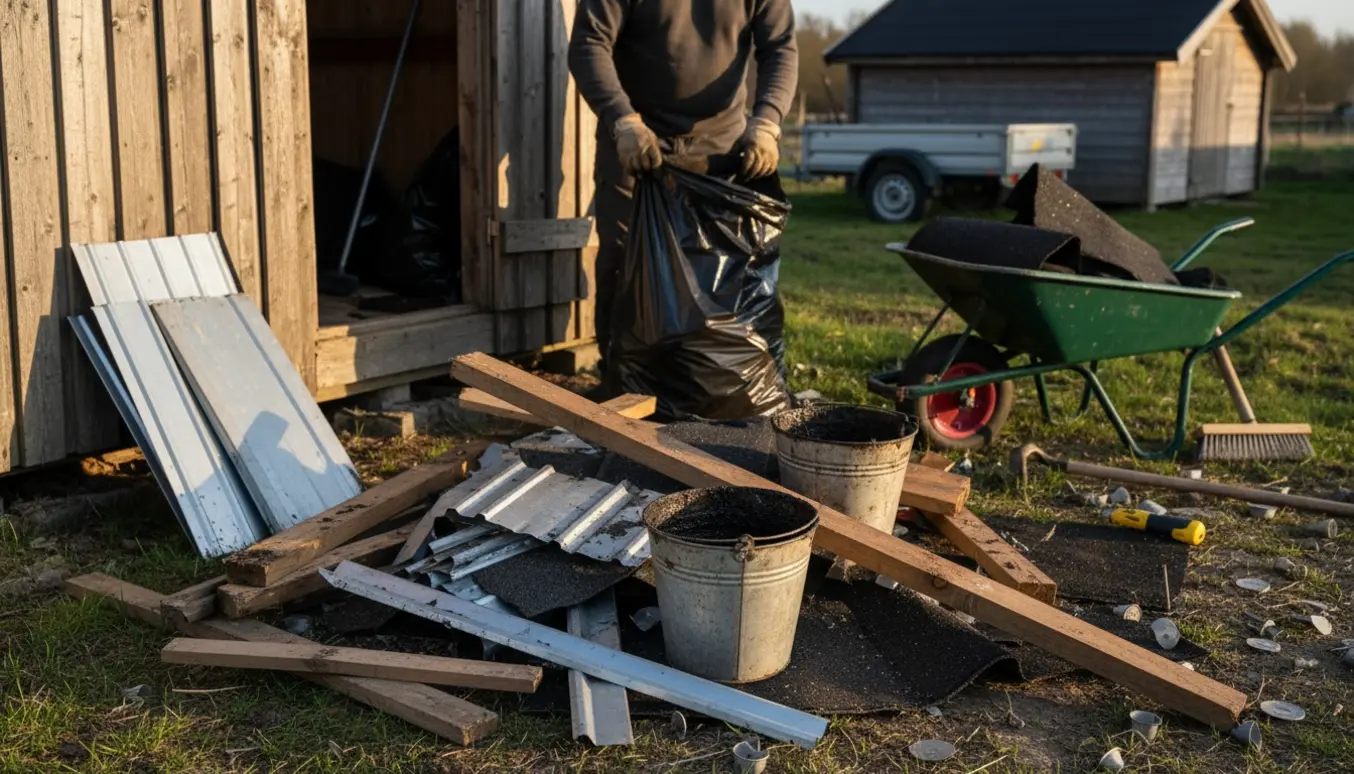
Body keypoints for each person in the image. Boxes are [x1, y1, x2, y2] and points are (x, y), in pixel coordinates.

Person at [569, 0, 798, 377]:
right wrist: (621, 119)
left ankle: (712, 386)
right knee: (625, 260)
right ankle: (622, 382)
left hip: (723, 150)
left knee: (722, 270)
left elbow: (780, 47)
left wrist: (767, 121)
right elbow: (589, 42)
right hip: (637, 147)